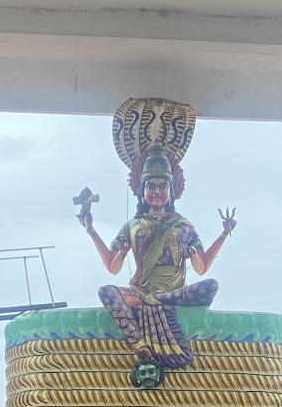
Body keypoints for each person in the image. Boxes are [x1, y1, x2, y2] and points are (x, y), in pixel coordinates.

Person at [78, 134, 235, 377]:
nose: (157, 191)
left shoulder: (183, 225)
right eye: (151, 186)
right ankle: (140, 345)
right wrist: (91, 231)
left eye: (163, 186)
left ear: (172, 192)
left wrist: (223, 235)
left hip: (173, 292)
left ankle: (159, 300)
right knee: (107, 292)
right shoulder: (132, 225)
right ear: (142, 192)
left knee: (210, 286)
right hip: (140, 292)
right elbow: (113, 266)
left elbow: (201, 267)